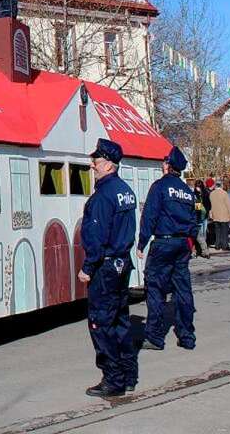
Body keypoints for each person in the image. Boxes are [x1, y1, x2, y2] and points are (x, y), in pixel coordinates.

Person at [77, 138, 138, 398]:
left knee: (101, 323)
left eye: (97, 162)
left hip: (106, 266)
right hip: (122, 262)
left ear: (110, 165)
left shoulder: (103, 196)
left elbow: (97, 236)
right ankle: (128, 374)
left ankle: (113, 379)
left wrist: (88, 267)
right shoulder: (125, 190)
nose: (93, 166)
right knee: (120, 320)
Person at [137, 146, 197, 352]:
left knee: (155, 288)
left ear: (168, 166)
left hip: (163, 242)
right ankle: (187, 335)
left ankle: (154, 336)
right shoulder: (188, 192)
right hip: (182, 244)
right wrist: (191, 243)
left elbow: (149, 216)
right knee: (183, 289)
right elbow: (193, 221)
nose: (162, 164)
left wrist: (141, 243)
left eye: (164, 162)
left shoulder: (160, 187)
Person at [209, 180, 230, 252]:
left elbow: (211, 205)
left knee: (217, 231)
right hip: (224, 215)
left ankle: (217, 245)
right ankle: (225, 245)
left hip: (215, 214)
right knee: (224, 231)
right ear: (221, 185)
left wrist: (211, 213)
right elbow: (228, 204)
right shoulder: (224, 193)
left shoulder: (212, 194)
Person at [191, 179, 211, 259]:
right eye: (196, 187)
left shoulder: (206, 194)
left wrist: (207, 211)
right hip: (198, 218)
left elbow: (209, 205)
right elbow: (197, 208)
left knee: (203, 234)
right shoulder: (195, 195)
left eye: (199, 187)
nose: (197, 188)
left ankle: (201, 250)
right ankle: (202, 250)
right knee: (199, 235)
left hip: (204, 217)